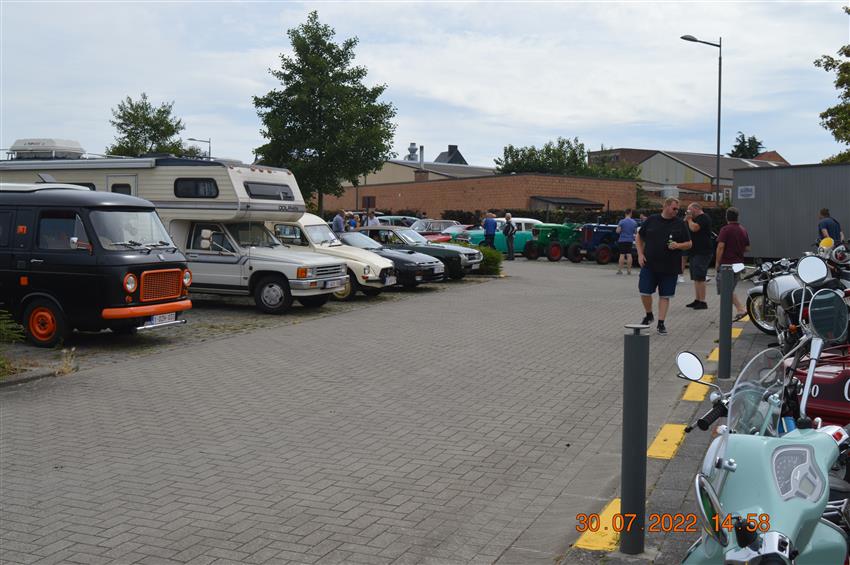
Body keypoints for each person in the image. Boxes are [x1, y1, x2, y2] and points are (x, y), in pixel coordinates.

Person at [635, 197, 692, 335]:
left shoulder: (680, 223)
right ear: (666, 206)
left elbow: (689, 243)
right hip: (649, 264)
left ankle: (661, 323)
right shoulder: (652, 220)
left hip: (670, 266)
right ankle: (649, 315)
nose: (676, 211)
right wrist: (640, 254)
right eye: (674, 208)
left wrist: (678, 245)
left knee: (665, 295)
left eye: (678, 209)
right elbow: (639, 237)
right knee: (644, 292)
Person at [715, 207, 750, 321]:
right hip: (739, 264)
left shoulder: (725, 229)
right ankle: (734, 311)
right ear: (737, 217)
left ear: (726, 217)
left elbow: (720, 247)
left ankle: (740, 309)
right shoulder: (743, 230)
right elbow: (747, 248)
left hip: (727, 265)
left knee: (725, 289)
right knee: (729, 289)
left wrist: (717, 262)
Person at [684, 203, 712, 310]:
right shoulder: (694, 219)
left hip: (703, 252)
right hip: (694, 251)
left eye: (690, 210)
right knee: (696, 277)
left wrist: (689, 220)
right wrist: (687, 220)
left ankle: (703, 301)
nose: (688, 212)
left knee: (700, 277)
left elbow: (694, 228)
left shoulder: (704, 218)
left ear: (696, 209)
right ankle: (697, 299)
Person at [615, 209, 637, 275]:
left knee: (622, 254)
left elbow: (617, 231)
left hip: (622, 240)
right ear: (630, 213)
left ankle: (620, 270)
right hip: (630, 240)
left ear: (625, 213)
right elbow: (635, 232)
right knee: (629, 254)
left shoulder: (622, 221)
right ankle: (629, 270)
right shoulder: (634, 222)